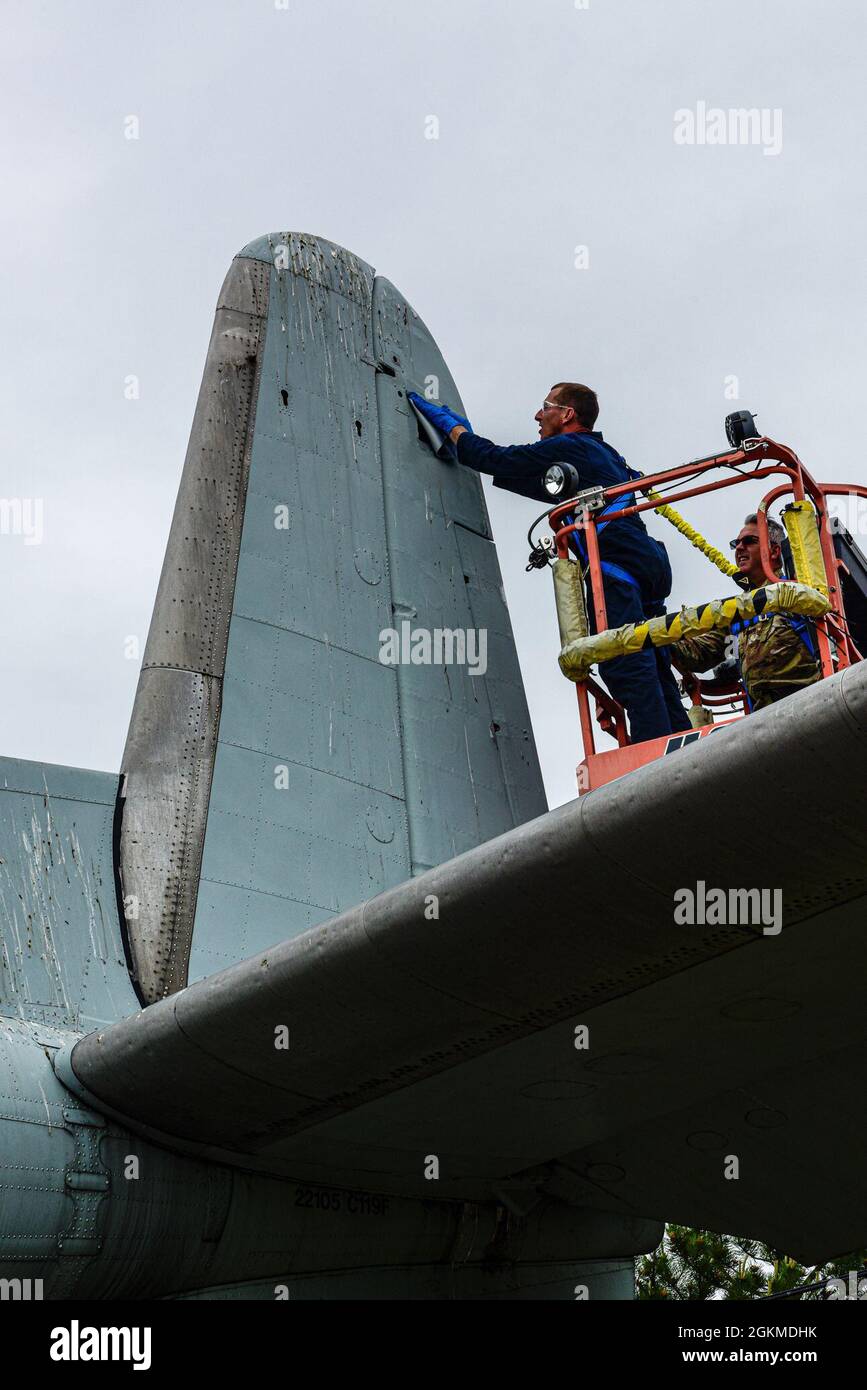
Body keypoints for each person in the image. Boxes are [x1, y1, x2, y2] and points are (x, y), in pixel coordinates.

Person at [408, 382, 691, 743]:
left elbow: (502, 460)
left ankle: (655, 753)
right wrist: (471, 449)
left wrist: (456, 432)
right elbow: (533, 481)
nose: (538, 416)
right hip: (645, 564)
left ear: (567, 414)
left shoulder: (572, 446)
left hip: (617, 566)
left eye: (545, 407)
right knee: (655, 663)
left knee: (625, 663)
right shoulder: (602, 455)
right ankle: (683, 744)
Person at [671, 514, 822, 711]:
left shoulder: (800, 593)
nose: (740, 547)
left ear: (775, 551)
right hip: (765, 720)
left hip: (815, 706)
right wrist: (657, 632)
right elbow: (698, 655)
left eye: (750, 541)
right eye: (737, 543)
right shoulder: (738, 612)